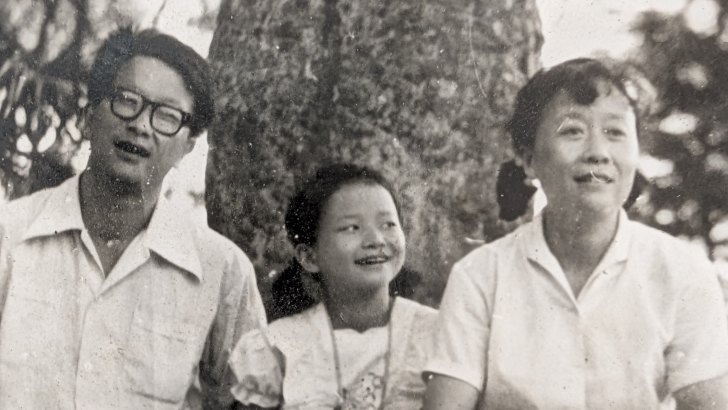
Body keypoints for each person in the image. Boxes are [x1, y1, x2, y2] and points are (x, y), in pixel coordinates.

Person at [423, 58, 728, 409]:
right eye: (573, 131)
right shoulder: (479, 278)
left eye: (615, 132)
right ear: (527, 158)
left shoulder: (682, 273)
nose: (598, 153)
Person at [0, 28, 266, 409]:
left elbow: (255, 401)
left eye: (167, 116)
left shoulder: (221, 271)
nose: (140, 125)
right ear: (91, 114)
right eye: (127, 100)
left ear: (188, 145)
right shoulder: (9, 235)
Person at [229, 163, 437, 409]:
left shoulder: (436, 332)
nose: (376, 240)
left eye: (388, 224)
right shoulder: (280, 346)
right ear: (309, 256)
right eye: (352, 228)